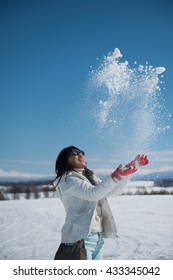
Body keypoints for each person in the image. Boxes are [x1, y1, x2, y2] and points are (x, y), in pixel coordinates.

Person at [53, 146, 149, 260]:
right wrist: (116, 175)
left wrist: (128, 171)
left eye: (82, 153)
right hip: (79, 239)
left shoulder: (89, 177)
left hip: (97, 238)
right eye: (75, 153)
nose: (81, 155)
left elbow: (112, 191)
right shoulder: (68, 180)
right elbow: (93, 194)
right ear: (65, 159)